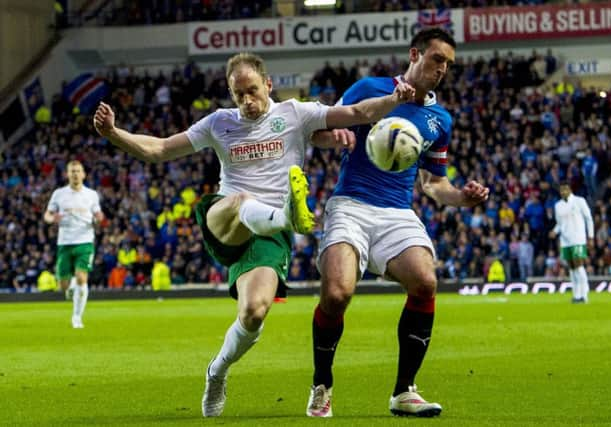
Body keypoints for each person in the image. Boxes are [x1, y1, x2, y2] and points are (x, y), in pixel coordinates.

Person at [92, 52, 415, 417]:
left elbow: (357, 114)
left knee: (253, 312)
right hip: (226, 220)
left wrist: (394, 100)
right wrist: (113, 134)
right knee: (241, 199)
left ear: (268, 85)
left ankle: (217, 371)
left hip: (267, 238)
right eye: (238, 94)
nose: (246, 101)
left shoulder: (295, 113)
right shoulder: (219, 123)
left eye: (252, 91)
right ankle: (286, 214)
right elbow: (162, 149)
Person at [306, 28, 489, 418]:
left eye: (448, 64)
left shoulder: (439, 119)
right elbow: (318, 133)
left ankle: (404, 392)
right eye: (437, 59)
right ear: (414, 54)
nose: (442, 69)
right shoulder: (368, 87)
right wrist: (335, 136)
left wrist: (462, 197)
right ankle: (322, 382)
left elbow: (434, 184)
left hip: (396, 211)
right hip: (351, 203)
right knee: (337, 295)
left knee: (425, 282)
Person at [44, 160, 104, 329]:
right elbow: (47, 215)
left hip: (85, 241)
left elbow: (98, 215)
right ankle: (70, 288)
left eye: (78, 171)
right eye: (72, 171)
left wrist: (99, 219)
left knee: (81, 277)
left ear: (83, 174)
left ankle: (77, 317)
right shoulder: (59, 194)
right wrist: (52, 219)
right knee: (63, 284)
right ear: (67, 174)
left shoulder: (91, 194)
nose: (75, 174)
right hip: (64, 242)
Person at [550, 181, 594, 303]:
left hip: (578, 238)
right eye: (561, 190)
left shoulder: (579, 201)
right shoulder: (558, 206)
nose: (563, 192)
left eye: (566, 189)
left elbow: (589, 219)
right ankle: (576, 295)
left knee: (579, 265)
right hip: (565, 240)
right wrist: (554, 231)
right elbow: (560, 224)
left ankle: (584, 295)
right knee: (572, 268)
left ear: (570, 189)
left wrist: (590, 236)